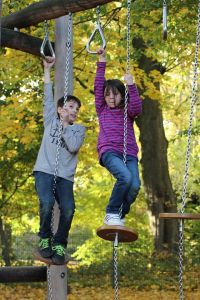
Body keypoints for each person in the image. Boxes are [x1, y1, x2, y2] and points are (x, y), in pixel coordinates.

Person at [33, 57, 86, 264]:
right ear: (60, 109)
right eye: (70, 107)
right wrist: (47, 69)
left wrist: (65, 125)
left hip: (65, 176)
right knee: (46, 203)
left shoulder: (78, 129)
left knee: (69, 208)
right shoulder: (50, 119)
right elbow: (47, 97)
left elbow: (73, 147)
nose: (74, 111)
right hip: (45, 170)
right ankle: (45, 238)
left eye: (77, 109)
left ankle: (59, 243)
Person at [94, 46, 142, 227]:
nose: (111, 98)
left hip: (129, 153)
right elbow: (99, 84)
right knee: (125, 177)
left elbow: (137, 107)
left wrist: (131, 84)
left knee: (135, 185)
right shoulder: (102, 109)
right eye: (108, 95)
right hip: (109, 151)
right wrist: (102, 61)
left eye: (115, 94)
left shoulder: (127, 111)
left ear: (122, 95)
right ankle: (111, 212)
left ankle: (120, 213)